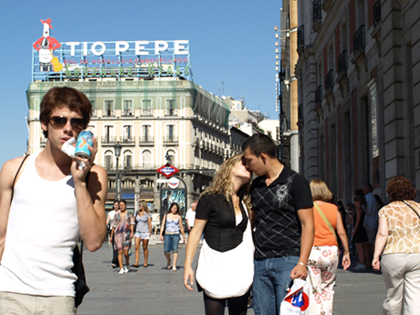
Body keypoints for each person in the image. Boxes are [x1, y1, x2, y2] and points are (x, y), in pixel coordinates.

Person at [0, 86, 108, 313]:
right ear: (44, 124)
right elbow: (1, 236)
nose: (68, 129)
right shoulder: (14, 169)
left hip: (59, 295)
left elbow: (93, 241)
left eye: (76, 122)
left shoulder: (94, 176)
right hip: (9, 292)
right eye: (59, 120)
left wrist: (79, 181)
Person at [242, 134, 314, 315]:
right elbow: (252, 222)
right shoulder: (257, 185)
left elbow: (308, 225)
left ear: (263, 156)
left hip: (288, 260)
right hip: (260, 262)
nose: (247, 165)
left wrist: (302, 263)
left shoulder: (296, 182)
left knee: (289, 312)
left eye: (249, 160)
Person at [183, 154, 254, 315]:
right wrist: (188, 264)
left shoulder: (245, 200)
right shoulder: (210, 198)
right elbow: (196, 232)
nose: (248, 166)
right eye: (243, 163)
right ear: (230, 167)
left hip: (239, 268)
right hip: (215, 265)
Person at [372, 176, 420, 314]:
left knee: (393, 296)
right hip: (416, 254)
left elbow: (382, 235)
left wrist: (376, 256)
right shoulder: (418, 208)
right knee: (415, 296)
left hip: (394, 254)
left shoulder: (386, 210)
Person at [307, 179, 351, 315]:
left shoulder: (307, 208)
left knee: (314, 289)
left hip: (313, 250)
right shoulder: (333, 208)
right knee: (328, 288)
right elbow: (341, 232)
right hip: (331, 250)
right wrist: (347, 252)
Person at [110, 199, 135, 275]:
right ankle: (121, 268)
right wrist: (111, 237)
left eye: (122, 205)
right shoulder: (116, 215)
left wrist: (132, 232)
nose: (121, 207)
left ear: (126, 205)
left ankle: (127, 263)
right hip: (118, 235)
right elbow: (113, 226)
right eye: (120, 205)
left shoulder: (130, 214)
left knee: (126, 252)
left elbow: (132, 224)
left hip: (127, 234)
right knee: (120, 251)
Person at [160, 202, 185, 271]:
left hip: (176, 234)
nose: (174, 209)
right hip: (167, 233)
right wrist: (161, 234)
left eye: (175, 208)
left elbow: (181, 227)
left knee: (175, 249)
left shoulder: (178, 217)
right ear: (170, 208)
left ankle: (174, 265)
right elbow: (162, 225)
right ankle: (169, 260)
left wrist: (183, 236)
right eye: (173, 208)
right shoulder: (166, 215)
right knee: (166, 250)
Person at [363, 183, 378, 269]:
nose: (364, 190)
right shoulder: (369, 198)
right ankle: (369, 260)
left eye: (366, 188)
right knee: (369, 243)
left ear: (369, 189)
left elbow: (368, 211)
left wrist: (361, 207)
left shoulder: (369, 198)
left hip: (370, 222)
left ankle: (371, 261)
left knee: (370, 243)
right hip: (370, 222)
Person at [352, 193, 369, 270]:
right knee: (360, 247)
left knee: (360, 247)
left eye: (356, 201)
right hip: (360, 228)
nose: (355, 203)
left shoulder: (359, 210)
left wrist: (354, 230)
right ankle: (361, 261)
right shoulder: (359, 209)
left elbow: (358, 220)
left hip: (359, 229)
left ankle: (362, 262)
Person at [133, 201, 152, 267]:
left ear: (144, 206)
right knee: (136, 247)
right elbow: (133, 221)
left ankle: (145, 262)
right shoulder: (137, 213)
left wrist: (150, 230)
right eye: (139, 205)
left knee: (145, 247)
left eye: (140, 205)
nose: (139, 206)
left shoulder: (147, 214)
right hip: (138, 231)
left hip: (145, 231)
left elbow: (149, 222)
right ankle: (136, 262)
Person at [106, 200, 120, 268]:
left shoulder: (121, 212)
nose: (116, 206)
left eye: (117, 205)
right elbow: (107, 221)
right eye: (115, 205)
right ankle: (114, 261)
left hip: (120, 231)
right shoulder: (111, 213)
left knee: (119, 247)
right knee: (114, 247)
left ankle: (118, 260)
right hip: (113, 230)